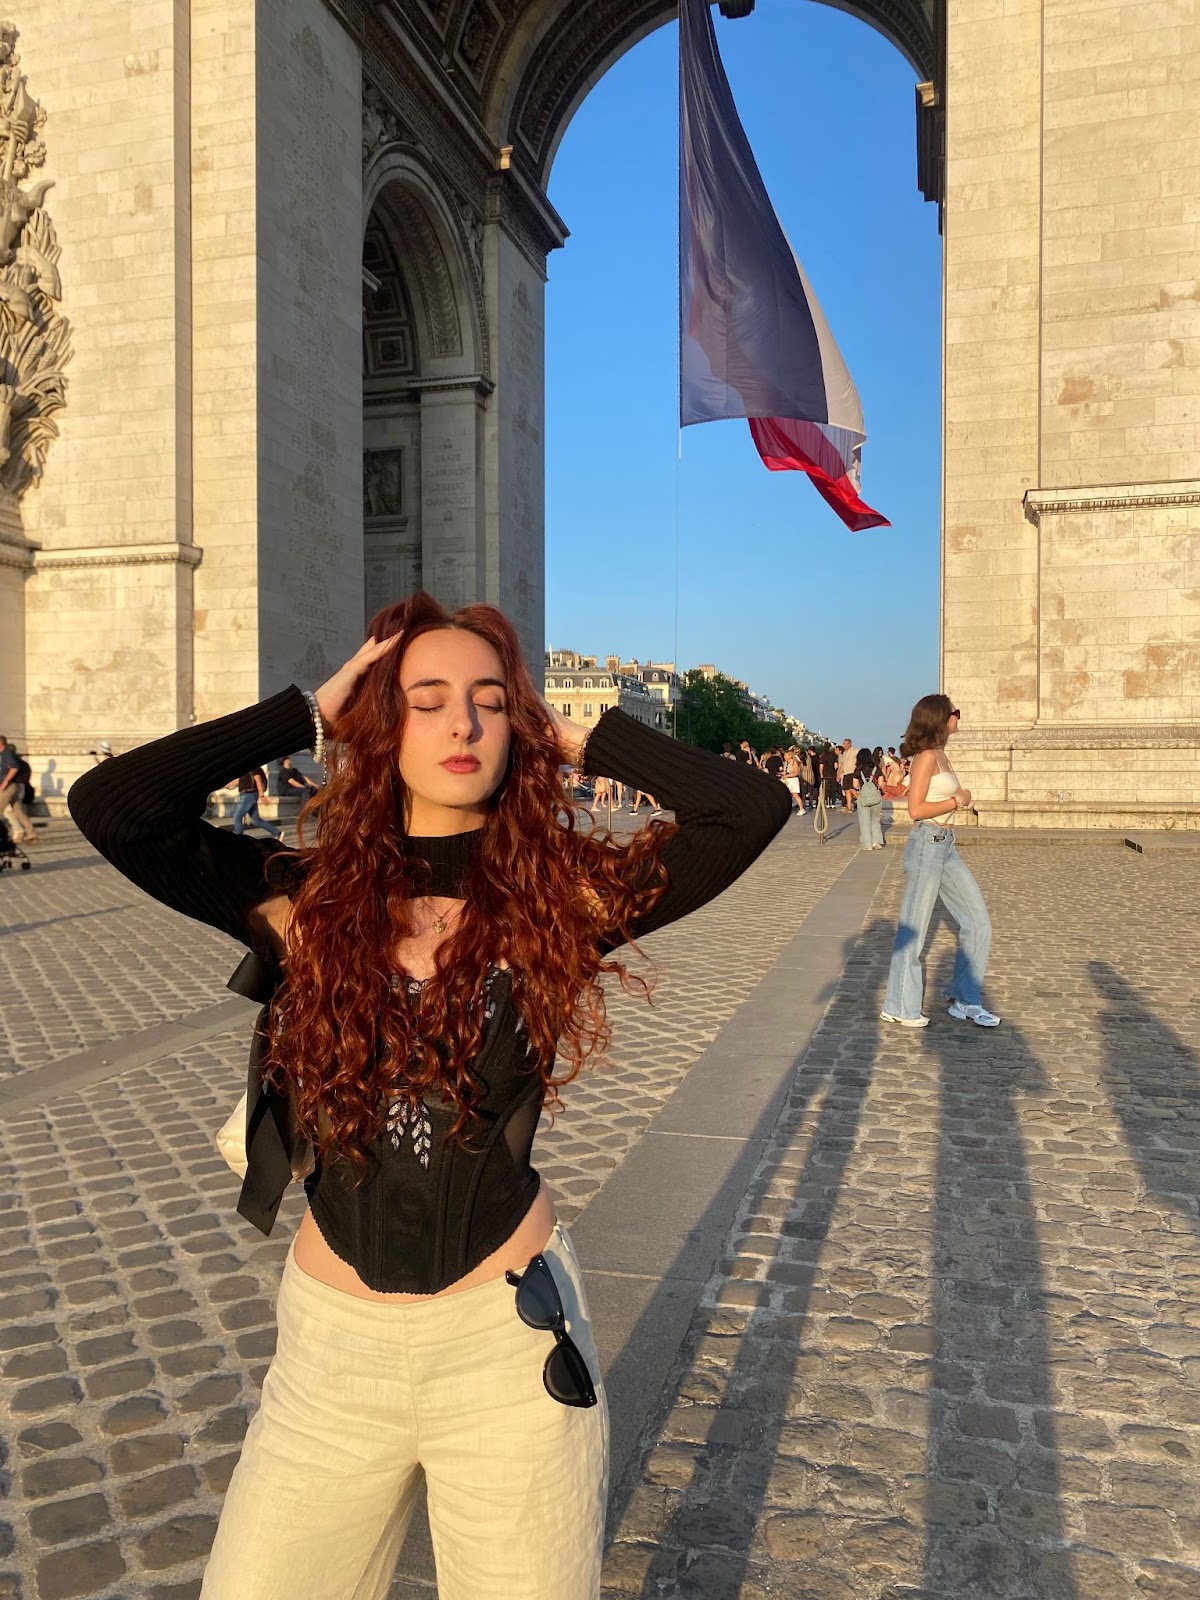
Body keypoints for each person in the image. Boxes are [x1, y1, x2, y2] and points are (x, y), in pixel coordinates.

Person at [68, 591, 791, 1600]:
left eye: (491, 702)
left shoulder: (562, 901)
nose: (463, 724)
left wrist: (574, 734)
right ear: (382, 723)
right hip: (332, 1359)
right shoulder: (302, 897)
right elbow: (115, 807)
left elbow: (747, 810)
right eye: (427, 700)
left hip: (506, 1350)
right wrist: (307, 713)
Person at [880, 695, 999, 1030]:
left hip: (946, 846)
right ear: (941, 718)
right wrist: (956, 800)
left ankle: (965, 999)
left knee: (978, 922)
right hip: (927, 845)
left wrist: (960, 799)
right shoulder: (926, 757)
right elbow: (915, 809)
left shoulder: (941, 754)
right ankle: (899, 1006)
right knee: (914, 928)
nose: (959, 716)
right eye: (955, 712)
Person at [0, 734, 34, 843]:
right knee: (17, 811)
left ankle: (18, 832)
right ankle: (30, 832)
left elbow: (14, 769)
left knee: (4, 809)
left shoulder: (7, 755)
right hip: (17, 787)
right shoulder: (17, 760)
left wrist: (5, 782)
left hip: (12, 786)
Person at [232, 766, 282, 839]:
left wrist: (262, 796)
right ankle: (277, 833)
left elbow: (258, 779)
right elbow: (238, 781)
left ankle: (238, 835)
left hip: (248, 795)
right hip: (247, 795)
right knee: (256, 820)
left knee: (237, 816)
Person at [853, 747, 884, 850]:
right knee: (875, 820)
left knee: (864, 821)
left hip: (863, 798)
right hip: (875, 798)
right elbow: (881, 784)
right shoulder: (876, 768)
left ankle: (867, 845)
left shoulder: (858, 770)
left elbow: (855, 785)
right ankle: (876, 842)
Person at [837, 738, 857, 811]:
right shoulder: (844, 753)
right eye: (843, 744)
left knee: (852, 789)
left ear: (849, 744)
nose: (844, 745)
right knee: (846, 790)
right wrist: (839, 774)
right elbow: (842, 764)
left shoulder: (855, 751)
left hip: (852, 773)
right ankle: (849, 807)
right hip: (845, 773)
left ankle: (862, 801)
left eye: (845, 744)